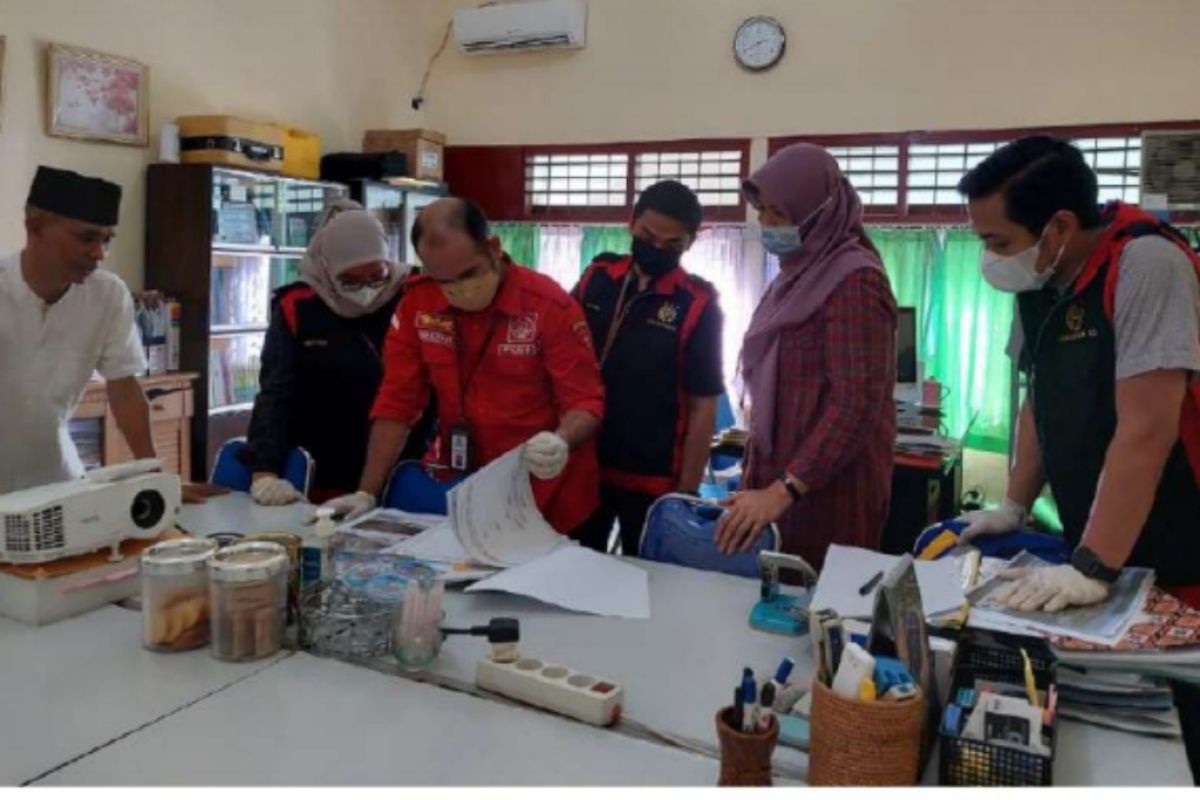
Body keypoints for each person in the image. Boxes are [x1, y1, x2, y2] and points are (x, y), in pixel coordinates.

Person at [955, 134, 1200, 781]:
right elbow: (1040, 397)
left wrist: (1092, 562)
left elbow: (1148, 428)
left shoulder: (1147, 263)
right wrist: (1013, 501)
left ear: (1059, 226)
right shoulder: (1040, 280)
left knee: (1172, 736)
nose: (990, 260)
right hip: (1098, 542)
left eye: (997, 241)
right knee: (1097, 729)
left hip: (1180, 547)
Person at [322, 198, 605, 535]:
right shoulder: (419, 303)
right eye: (444, 280)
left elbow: (586, 401)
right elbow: (397, 402)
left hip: (550, 489)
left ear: (494, 248)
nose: (460, 289)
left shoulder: (548, 306)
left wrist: (561, 440)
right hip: (469, 487)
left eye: (469, 274)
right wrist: (366, 492)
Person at [714, 144, 898, 570]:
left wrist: (783, 490)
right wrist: (757, 482)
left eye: (779, 213)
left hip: (828, 492)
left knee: (814, 615)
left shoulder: (853, 282)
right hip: (776, 484)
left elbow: (854, 405)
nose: (767, 224)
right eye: (763, 212)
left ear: (819, 211)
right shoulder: (794, 277)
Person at [240, 201, 430, 505]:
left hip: (407, 463)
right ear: (327, 269)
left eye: (376, 275)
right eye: (350, 281)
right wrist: (264, 472)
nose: (366, 290)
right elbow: (274, 394)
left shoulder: (415, 296)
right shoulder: (298, 307)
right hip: (322, 462)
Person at [570, 180, 725, 554]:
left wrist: (686, 491)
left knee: (649, 581)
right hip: (583, 462)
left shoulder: (697, 303)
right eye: (648, 235)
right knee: (572, 569)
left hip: (652, 476)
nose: (656, 249)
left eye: (672, 243)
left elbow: (703, 404)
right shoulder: (598, 277)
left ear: (691, 241)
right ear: (631, 222)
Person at [0, 166, 157, 495]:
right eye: (86, 238)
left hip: (57, 482)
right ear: (35, 227)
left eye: (107, 240)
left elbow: (124, 387)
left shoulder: (108, 295)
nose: (99, 253)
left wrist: (155, 477)